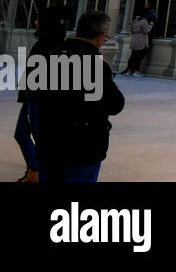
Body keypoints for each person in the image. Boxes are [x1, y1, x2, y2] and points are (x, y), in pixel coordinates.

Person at [35, 10, 126, 183]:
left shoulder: (51, 59)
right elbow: (116, 105)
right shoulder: (96, 67)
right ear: (101, 37)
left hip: (49, 144)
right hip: (82, 149)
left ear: (77, 33)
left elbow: (37, 96)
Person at [14, 6, 66, 182]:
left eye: (38, 19)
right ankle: (35, 170)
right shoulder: (51, 41)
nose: (35, 22)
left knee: (31, 135)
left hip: (38, 99)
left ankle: (37, 171)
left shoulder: (47, 43)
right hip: (35, 97)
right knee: (22, 133)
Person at [124, 10, 153, 76]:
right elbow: (146, 31)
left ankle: (129, 70)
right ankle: (136, 71)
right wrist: (151, 25)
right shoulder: (144, 21)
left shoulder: (134, 21)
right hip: (141, 41)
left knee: (133, 56)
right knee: (139, 57)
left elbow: (131, 30)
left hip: (134, 40)